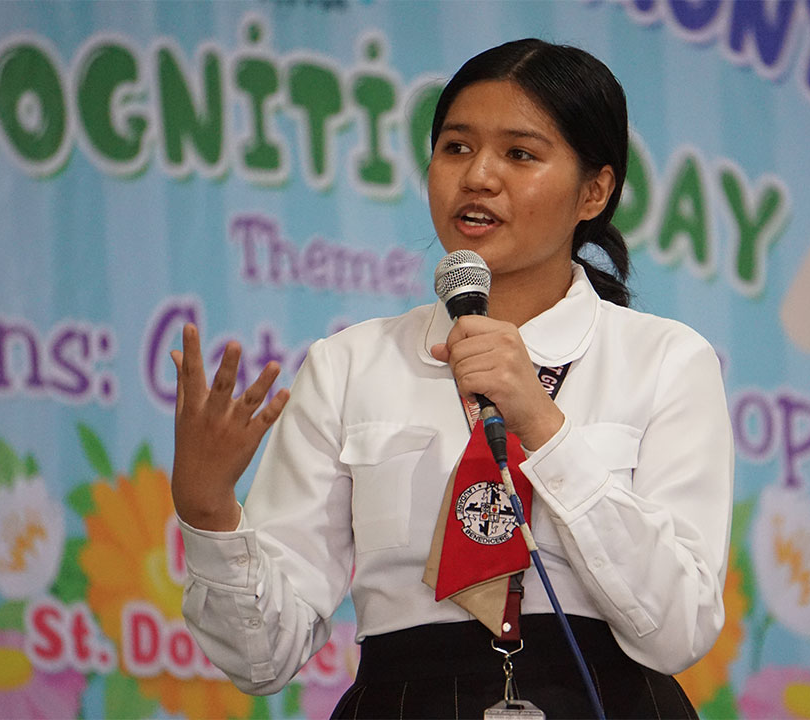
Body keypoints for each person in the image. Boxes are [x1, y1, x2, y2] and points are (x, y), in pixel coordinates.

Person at [171, 38, 734, 719]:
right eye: (456, 148)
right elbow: (264, 659)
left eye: (520, 154)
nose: (478, 177)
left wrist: (545, 428)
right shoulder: (349, 364)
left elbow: (679, 630)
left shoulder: (666, 359)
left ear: (594, 191)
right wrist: (208, 510)